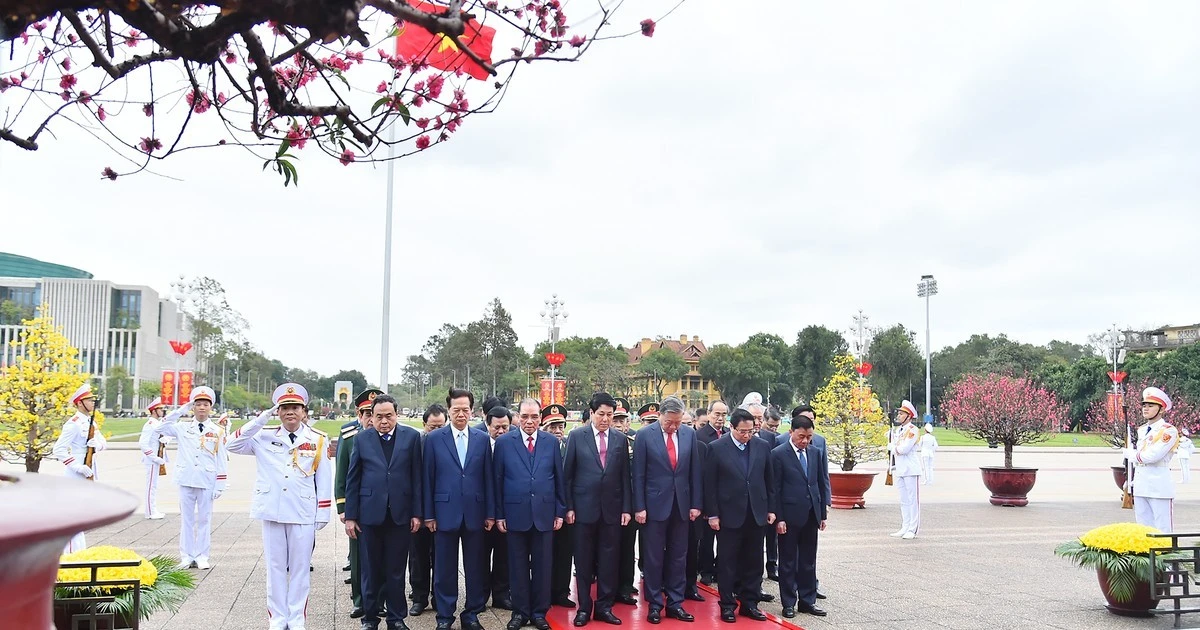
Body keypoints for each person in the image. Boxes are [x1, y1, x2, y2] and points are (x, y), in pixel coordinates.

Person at [227, 383, 332, 630]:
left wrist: (323, 512)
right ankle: (277, 618)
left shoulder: (317, 439)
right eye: (284, 408)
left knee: (299, 569)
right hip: (272, 509)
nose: (289, 412)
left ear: (304, 411)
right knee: (274, 568)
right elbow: (231, 444)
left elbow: (324, 478)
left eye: (294, 407)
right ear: (278, 411)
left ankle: (296, 618)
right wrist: (262, 418)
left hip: (302, 511)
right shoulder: (263, 436)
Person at [345, 393, 424, 630]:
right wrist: (350, 516)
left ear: (396, 415)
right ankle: (370, 619)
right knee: (371, 570)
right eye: (378, 416)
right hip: (370, 515)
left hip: (400, 514)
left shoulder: (411, 438)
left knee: (396, 571)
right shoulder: (362, 439)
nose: (383, 421)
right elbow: (353, 479)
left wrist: (417, 513)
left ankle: (396, 618)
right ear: (372, 417)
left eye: (388, 416)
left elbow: (417, 478)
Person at [493, 398, 566, 630]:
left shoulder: (550, 442)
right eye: (525, 417)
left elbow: (558, 479)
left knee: (543, 567)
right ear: (518, 417)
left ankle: (539, 612)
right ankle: (520, 612)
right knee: (518, 566)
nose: (529, 421)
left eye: (534, 417)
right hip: (515, 514)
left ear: (540, 418)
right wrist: (499, 514)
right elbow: (498, 481)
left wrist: (559, 511)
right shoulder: (505, 442)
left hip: (544, 514)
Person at [423, 390, 494, 630]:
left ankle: (471, 614)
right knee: (444, 568)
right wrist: (429, 514)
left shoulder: (481, 439)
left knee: (475, 567)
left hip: (475, 512)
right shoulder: (434, 439)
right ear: (449, 411)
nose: (461, 414)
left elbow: (488, 479)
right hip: (444, 513)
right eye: (456, 410)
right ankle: (444, 616)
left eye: (465, 410)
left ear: (472, 411)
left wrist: (490, 513)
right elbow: (427, 479)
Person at [563, 393, 631, 627]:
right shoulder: (576, 436)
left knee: (609, 560)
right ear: (591, 413)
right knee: (583, 562)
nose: (605, 419)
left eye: (609, 415)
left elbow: (625, 478)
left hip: (611, 510)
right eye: (601, 414)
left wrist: (626, 508)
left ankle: (604, 607)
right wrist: (569, 507)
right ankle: (584, 608)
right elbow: (567, 476)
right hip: (583, 510)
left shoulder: (620, 440)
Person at [632, 396, 701, 625]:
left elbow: (694, 473)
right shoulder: (644, 435)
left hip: (681, 505)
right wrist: (639, 507)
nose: (674, 427)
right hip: (653, 507)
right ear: (660, 415)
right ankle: (654, 604)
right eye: (670, 422)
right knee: (653, 558)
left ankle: (675, 603)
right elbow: (638, 474)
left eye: (678, 422)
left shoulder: (689, 434)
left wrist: (695, 504)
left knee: (678, 557)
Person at [705, 408, 775, 623]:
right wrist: (713, 514)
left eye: (751, 431)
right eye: (742, 432)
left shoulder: (762, 446)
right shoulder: (716, 448)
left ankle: (749, 603)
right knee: (727, 563)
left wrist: (771, 509)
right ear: (732, 427)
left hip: (756, 513)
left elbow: (769, 481)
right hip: (729, 515)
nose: (747, 435)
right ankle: (727, 605)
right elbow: (710, 485)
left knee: (754, 561)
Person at [155, 386, 228, 569]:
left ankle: (202, 555)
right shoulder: (182, 427)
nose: (202, 408)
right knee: (187, 520)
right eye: (198, 404)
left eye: (205, 404)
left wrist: (221, 484)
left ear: (211, 408)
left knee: (204, 519)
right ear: (193, 407)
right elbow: (160, 427)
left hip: (207, 480)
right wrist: (180, 410)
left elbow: (221, 458)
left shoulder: (217, 431)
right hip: (186, 478)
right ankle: (186, 556)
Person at [770, 415, 828, 618]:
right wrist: (780, 518)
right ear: (791, 433)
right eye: (801, 436)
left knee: (808, 560)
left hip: (811, 514)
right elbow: (775, 489)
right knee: (787, 561)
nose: (805, 441)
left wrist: (822, 513)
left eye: (809, 437)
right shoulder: (778, 454)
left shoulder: (815, 452)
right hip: (788, 515)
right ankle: (788, 602)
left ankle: (807, 600)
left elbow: (820, 482)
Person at [336, 388, 383, 619]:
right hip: (358, 508)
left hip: (382, 508)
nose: (369, 419)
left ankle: (380, 600)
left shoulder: (387, 436)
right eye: (365, 413)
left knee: (382, 557)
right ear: (359, 413)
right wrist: (343, 508)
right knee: (358, 557)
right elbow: (342, 473)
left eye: (371, 413)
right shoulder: (349, 435)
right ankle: (360, 600)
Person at [53, 383, 107, 552]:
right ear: (79, 403)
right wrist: (77, 467)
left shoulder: (92, 422)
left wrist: (96, 444)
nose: (92, 403)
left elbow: (103, 443)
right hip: (75, 473)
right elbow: (59, 449)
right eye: (88, 400)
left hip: (89, 469)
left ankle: (79, 551)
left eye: (92, 400)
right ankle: (70, 554)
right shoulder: (73, 423)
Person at [410, 404, 447, 618]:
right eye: (432, 427)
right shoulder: (416, 443)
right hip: (419, 511)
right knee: (418, 557)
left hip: (442, 511)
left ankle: (439, 597)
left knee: (442, 557)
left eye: (440, 426)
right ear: (424, 425)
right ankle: (419, 597)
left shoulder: (448, 443)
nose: (436, 431)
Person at [1126, 387, 1179, 532]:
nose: (1146, 409)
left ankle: (1166, 554)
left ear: (1161, 409)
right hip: (1141, 484)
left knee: (1163, 529)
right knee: (1143, 529)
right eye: (1144, 405)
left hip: (1159, 485)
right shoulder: (1142, 429)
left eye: (1151, 406)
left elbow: (1153, 456)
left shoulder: (1168, 430)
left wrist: (1132, 455)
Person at [542, 405, 576, 610]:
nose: (557, 430)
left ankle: (561, 591)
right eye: (552, 426)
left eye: (560, 426)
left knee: (565, 552)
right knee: (544, 554)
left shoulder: (570, 446)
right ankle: (543, 592)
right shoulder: (540, 446)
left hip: (567, 509)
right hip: (544, 509)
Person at [483, 405, 514, 611]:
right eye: (497, 427)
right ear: (487, 425)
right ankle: (481, 595)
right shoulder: (479, 444)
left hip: (507, 511)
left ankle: (501, 595)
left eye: (505, 427)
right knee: (480, 557)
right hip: (483, 512)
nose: (501, 431)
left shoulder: (513, 445)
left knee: (504, 556)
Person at [611, 397, 640, 606]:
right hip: (606, 503)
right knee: (607, 548)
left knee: (628, 547)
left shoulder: (634, 444)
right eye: (616, 420)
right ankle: (607, 586)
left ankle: (625, 586)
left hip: (629, 504)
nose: (620, 425)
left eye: (623, 420)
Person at [697, 400, 728, 586]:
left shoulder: (728, 435)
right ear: (709, 414)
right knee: (707, 537)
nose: (720, 418)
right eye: (717, 414)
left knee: (725, 537)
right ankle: (706, 570)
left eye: (724, 414)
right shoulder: (699, 436)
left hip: (726, 494)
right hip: (707, 493)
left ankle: (720, 568)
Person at [889, 401, 921, 540]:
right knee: (903, 500)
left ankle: (912, 529)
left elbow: (904, 449)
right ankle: (905, 525)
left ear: (909, 416)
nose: (899, 415)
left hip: (910, 468)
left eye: (902, 414)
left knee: (912, 500)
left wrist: (893, 447)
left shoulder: (912, 430)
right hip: (901, 468)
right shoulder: (898, 430)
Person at [138, 399, 170, 520]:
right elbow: (143, 444)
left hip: (156, 459)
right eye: (160, 409)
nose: (163, 411)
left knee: (154, 486)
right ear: (154, 410)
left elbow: (166, 436)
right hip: (152, 460)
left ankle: (153, 509)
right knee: (151, 486)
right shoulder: (150, 425)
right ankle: (150, 512)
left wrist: (166, 440)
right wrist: (155, 458)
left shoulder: (157, 423)